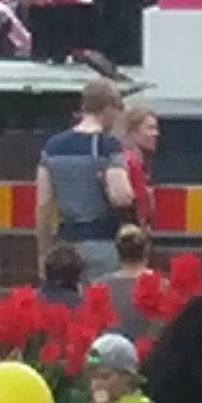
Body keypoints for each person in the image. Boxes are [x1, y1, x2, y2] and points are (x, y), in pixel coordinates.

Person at [42, 79, 137, 284]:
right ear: (108, 107)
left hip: (65, 243)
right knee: (100, 300)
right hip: (102, 242)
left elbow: (43, 203)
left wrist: (43, 250)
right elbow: (121, 197)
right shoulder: (107, 146)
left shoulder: (52, 147)